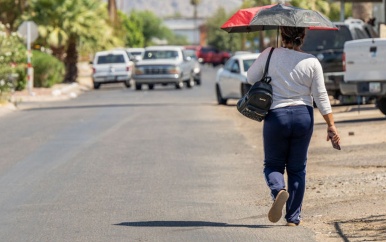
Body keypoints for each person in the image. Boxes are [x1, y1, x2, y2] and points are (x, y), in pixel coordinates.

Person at [247, 26, 341, 226]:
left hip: (276, 116)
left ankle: (279, 190)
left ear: (282, 35)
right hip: (303, 116)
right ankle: (293, 218)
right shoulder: (311, 61)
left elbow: (250, 78)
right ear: (303, 36)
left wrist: (270, 69)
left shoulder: (269, 54)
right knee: (298, 169)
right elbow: (320, 95)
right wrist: (331, 124)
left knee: (273, 165)